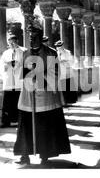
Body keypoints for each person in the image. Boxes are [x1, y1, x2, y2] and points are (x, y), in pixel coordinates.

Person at [14, 16, 71, 166]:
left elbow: (55, 73)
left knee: (45, 126)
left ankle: (45, 154)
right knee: (26, 125)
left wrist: (39, 74)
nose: (31, 40)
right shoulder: (25, 53)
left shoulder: (51, 53)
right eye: (29, 38)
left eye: (34, 37)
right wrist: (27, 73)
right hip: (28, 95)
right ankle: (24, 154)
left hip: (46, 96)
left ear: (40, 38)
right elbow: (19, 71)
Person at [0, 34, 26, 128]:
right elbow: (0, 65)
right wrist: (5, 66)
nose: (12, 44)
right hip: (9, 80)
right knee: (7, 102)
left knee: (19, 101)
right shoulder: (6, 53)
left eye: (13, 42)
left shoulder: (24, 51)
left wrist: (19, 64)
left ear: (17, 41)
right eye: (10, 43)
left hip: (19, 80)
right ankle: (6, 121)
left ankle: (20, 121)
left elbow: (28, 63)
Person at [54, 40, 78, 105]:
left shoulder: (67, 52)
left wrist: (65, 62)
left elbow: (72, 61)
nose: (59, 48)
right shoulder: (55, 53)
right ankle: (63, 101)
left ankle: (68, 101)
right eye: (57, 47)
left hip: (67, 72)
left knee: (68, 87)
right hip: (60, 72)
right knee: (62, 88)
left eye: (60, 47)